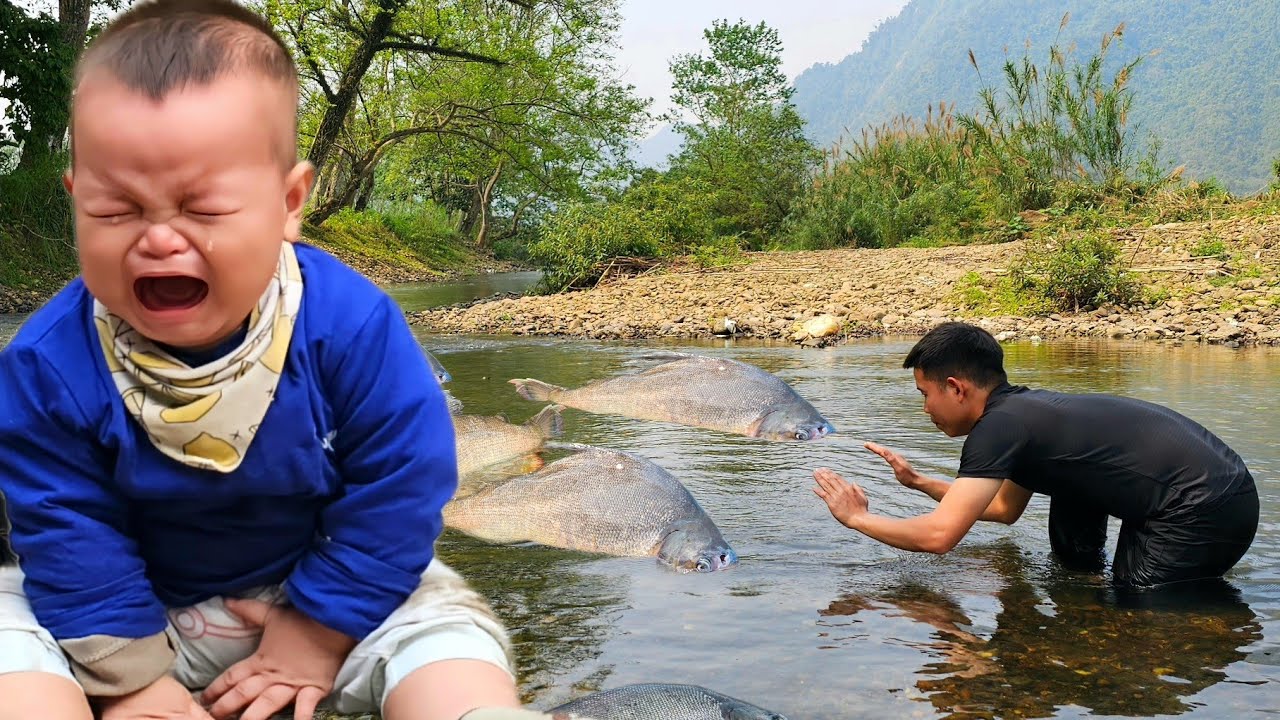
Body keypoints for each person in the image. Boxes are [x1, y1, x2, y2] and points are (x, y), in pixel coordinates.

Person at [0, 2, 592, 719]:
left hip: (326, 592)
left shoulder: (349, 326)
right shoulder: (45, 363)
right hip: (123, 614)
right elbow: (64, 525)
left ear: (288, 203)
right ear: (75, 201)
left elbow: (402, 485)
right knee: (8, 629)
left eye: (204, 208)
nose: (157, 240)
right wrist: (130, 678)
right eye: (115, 211)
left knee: (441, 630)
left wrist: (317, 629)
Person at [811, 321, 1259, 589]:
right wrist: (920, 483)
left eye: (924, 394)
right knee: (1069, 511)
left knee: (1137, 603)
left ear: (956, 388)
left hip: (1203, 507)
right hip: (1221, 488)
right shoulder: (1022, 417)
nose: (925, 408)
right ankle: (1085, 586)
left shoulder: (998, 428)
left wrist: (857, 518)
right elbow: (1005, 509)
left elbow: (938, 538)